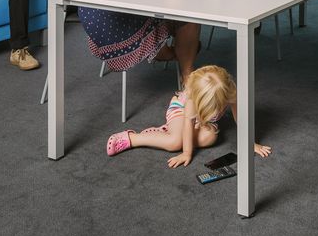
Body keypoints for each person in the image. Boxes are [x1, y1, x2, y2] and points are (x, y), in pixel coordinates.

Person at [105, 65, 272, 167]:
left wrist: (251, 143)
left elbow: (240, 119)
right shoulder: (191, 101)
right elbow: (188, 124)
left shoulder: (230, 92)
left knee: (211, 138)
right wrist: (187, 153)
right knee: (175, 143)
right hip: (180, 112)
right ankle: (134, 138)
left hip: (204, 122)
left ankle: (166, 134)